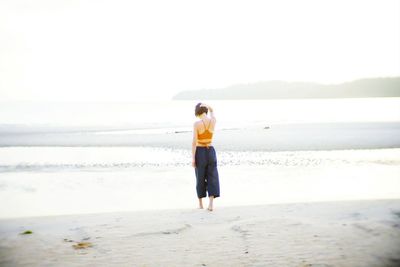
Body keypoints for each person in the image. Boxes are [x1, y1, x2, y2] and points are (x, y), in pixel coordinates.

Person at [192, 103, 220, 211]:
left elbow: (194, 142)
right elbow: (212, 113)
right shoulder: (213, 121)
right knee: (212, 176)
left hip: (200, 152)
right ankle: (211, 204)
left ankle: (200, 204)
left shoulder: (196, 124)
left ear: (198, 113)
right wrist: (210, 108)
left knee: (200, 177)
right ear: (206, 111)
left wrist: (193, 158)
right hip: (211, 151)